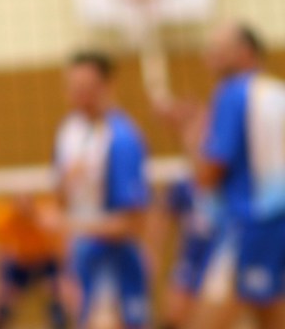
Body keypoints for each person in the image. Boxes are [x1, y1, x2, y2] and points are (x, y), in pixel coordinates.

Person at [170, 23, 285, 329]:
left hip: (249, 223)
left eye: (217, 48)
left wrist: (190, 134)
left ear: (245, 52)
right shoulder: (277, 92)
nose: (207, 55)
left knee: (204, 321)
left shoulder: (231, 93)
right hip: (278, 224)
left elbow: (208, 174)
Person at [52, 52, 151, 329]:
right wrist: (64, 267)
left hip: (113, 261)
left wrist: (70, 225)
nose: (78, 94)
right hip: (80, 258)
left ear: (108, 86)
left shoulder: (121, 139)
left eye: (87, 87)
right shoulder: (68, 130)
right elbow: (61, 202)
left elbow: (133, 223)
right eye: (72, 87)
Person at [0, 193, 71, 329]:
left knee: (58, 300)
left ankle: (58, 320)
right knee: (0, 304)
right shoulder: (2, 218)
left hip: (45, 262)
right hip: (17, 265)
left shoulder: (47, 216)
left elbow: (63, 253)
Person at [148, 179, 222, 329]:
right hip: (189, 261)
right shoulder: (184, 186)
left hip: (218, 262)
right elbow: (162, 219)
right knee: (174, 313)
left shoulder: (233, 186)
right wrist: (154, 254)